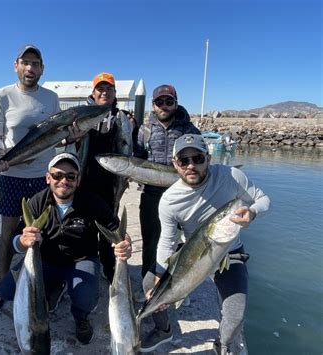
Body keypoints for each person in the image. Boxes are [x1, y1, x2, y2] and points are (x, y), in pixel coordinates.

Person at [140, 134, 271, 353]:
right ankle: (163, 330)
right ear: (175, 164)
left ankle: (224, 344)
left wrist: (253, 212)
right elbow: (167, 240)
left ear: (208, 158)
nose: (191, 165)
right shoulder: (170, 200)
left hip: (230, 252)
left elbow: (264, 199)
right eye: (184, 161)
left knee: (236, 311)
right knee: (148, 284)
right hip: (193, 249)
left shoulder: (231, 176)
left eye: (198, 158)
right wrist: (159, 277)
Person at [0, 152, 132, 344]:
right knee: (6, 290)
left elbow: (115, 228)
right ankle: (52, 288)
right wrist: (23, 241)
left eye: (70, 176)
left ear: (78, 180)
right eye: (57, 175)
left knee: (85, 297)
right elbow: (16, 241)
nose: (64, 181)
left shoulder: (91, 201)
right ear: (47, 178)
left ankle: (81, 318)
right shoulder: (37, 201)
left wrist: (124, 242)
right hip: (45, 261)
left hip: (81, 260)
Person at [0, 44, 79, 309]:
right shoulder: (2, 95)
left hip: (43, 176)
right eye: (25, 62)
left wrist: (70, 139)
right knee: (7, 233)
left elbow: (57, 135)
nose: (30, 68)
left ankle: (39, 280)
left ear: (42, 69)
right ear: (15, 65)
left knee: (46, 232)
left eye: (35, 64)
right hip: (13, 174)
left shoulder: (51, 98)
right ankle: (2, 279)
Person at [134, 84, 200, 299]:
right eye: (159, 102)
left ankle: (180, 288)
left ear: (176, 103)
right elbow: (138, 159)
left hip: (184, 197)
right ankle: (148, 288)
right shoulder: (144, 131)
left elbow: (201, 164)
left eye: (168, 101)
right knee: (150, 242)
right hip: (152, 195)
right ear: (153, 105)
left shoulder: (190, 131)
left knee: (182, 245)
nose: (164, 106)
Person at [79, 72, 135, 284]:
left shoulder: (123, 118)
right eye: (100, 89)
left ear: (114, 93)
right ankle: (84, 264)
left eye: (108, 89)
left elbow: (132, 147)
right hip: (85, 179)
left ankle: (108, 265)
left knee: (110, 224)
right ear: (93, 93)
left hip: (111, 183)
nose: (104, 92)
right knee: (84, 225)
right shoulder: (82, 115)